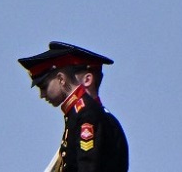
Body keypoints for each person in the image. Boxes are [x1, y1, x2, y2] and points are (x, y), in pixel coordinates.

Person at [18, 41, 128, 172]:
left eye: (44, 86)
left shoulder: (87, 114)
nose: (42, 94)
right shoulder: (78, 113)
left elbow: (87, 166)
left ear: (61, 79)